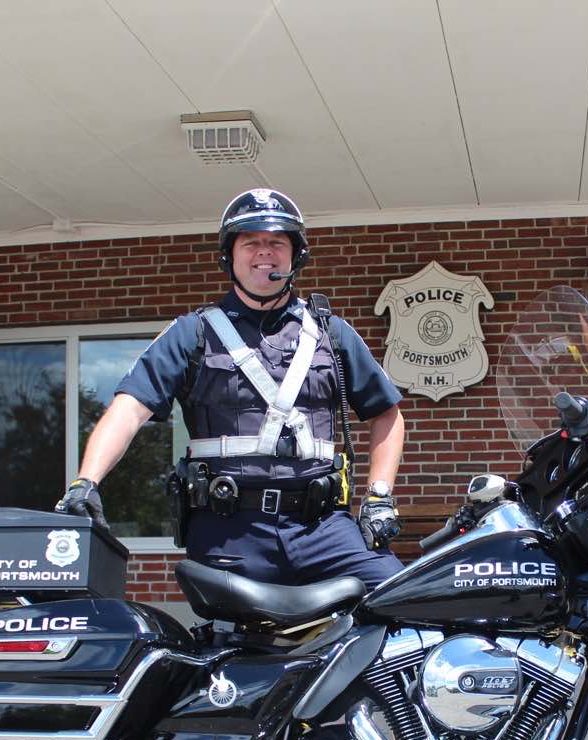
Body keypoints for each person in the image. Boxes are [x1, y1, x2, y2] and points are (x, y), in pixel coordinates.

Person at [55, 188, 405, 591]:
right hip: (229, 530)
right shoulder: (193, 332)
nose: (264, 252)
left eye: (276, 242)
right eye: (251, 242)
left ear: (296, 256)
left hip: (323, 529)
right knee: (232, 645)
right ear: (230, 255)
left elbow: (386, 413)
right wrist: (86, 482)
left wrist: (379, 495)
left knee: (398, 603)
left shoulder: (330, 332)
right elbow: (130, 408)